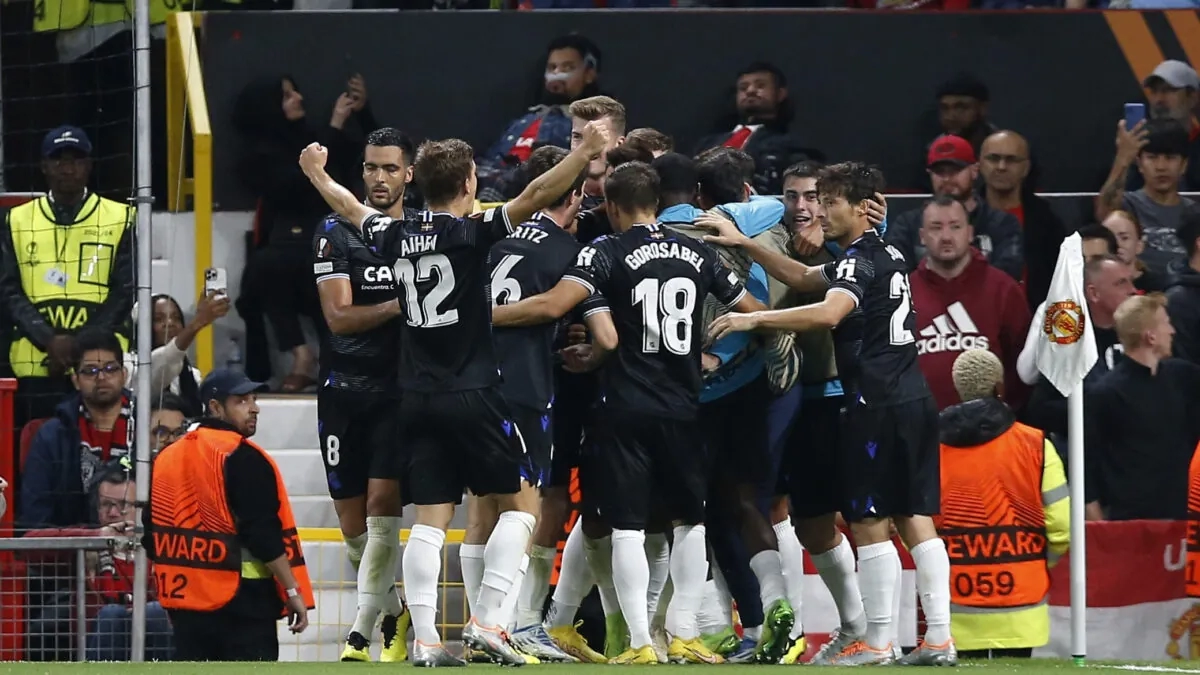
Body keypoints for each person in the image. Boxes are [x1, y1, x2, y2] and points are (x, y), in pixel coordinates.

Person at [299, 120, 610, 666]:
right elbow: (538, 192)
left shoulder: (395, 234)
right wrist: (584, 151)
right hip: (474, 391)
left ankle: (425, 640)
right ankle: (488, 622)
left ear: (418, 183)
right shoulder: (472, 232)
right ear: (469, 182)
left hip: (414, 397)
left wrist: (317, 174)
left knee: (431, 521)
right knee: (522, 507)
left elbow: (349, 207)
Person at [492, 161, 765, 665]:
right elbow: (752, 310)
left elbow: (562, 309)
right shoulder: (698, 252)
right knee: (690, 522)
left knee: (627, 527)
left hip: (623, 406)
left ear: (613, 206)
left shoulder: (604, 250)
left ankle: (640, 641)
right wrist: (718, 345)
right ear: (657, 202)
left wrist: (486, 318)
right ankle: (683, 632)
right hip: (684, 406)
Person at [703, 161, 956, 666]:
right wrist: (746, 243)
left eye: (831, 202)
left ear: (861, 208)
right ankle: (939, 639)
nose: (820, 212)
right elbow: (801, 275)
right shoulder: (888, 251)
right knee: (913, 517)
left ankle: (877, 642)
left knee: (870, 521)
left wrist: (752, 319)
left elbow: (828, 312)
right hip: (912, 397)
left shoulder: (858, 262)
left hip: (874, 403)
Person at [475, 146, 615, 663]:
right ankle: (508, 623)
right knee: (526, 510)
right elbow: (602, 333)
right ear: (574, 196)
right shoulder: (572, 252)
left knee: (483, 510)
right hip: (525, 389)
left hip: (472, 384)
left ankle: (493, 624)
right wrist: (592, 351)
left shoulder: (491, 235)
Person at [312, 126, 416, 663]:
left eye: (390, 168)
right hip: (341, 391)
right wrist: (404, 303)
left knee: (380, 508)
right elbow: (338, 316)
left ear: (409, 174)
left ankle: (359, 632)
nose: (380, 177)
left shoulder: (420, 233)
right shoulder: (334, 231)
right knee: (352, 526)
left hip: (397, 392)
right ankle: (395, 611)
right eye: (372, 167)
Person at [145, 368, 314, 661]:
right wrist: (291, 590)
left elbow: (152, 534)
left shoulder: (166, 457)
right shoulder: (244, 457)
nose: (254, 408)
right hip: (244, 604)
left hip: (185, 605)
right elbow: (262, 534)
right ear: (215, 407)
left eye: (254, 399)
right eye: (242, 401)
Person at [937, 349, 1069, 659]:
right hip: (1022, 610)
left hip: (954, 610)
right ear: (1000, 387)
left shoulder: (930, 449)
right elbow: (1062, 528)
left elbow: (915, 528)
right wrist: (1036, 563)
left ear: (958, 390)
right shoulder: (1037, 445)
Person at [1, 126, 134, 424]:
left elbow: (125, 291)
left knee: (99, 447)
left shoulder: (120, 216)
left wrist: (81, 345)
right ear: (44, 166)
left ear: (89, 165)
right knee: (34, 446)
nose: (67, 168)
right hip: (35, 367)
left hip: (100, 369)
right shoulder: (17, 219)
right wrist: (49, 339)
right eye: (58, 159)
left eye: (76, 159)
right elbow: (8, 290)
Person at [126, 292, 229, 416]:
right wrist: (198, 322)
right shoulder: (130, 367)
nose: (170, 323)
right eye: (158, 319)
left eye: (176, 318)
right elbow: (165, 359)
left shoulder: (193, 376)